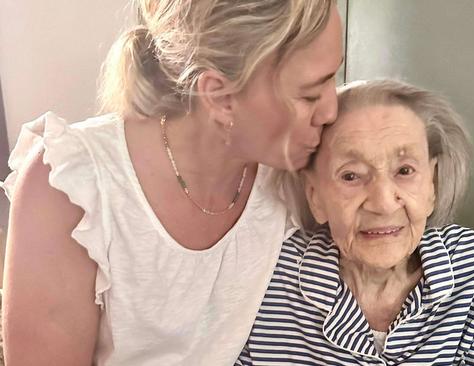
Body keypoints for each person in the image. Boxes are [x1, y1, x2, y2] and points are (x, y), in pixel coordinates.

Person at [1, 1, 342, 365]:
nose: (331, 111)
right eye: (309, 95)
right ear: (220, 97)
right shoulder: (71, 187)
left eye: (334, 77)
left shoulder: (292, 172)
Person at [238, 80, 474, 365]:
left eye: (405, 170)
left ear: (432, 184)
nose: (382, 203)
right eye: (351, 176)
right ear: (315, 196)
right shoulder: (269, 278)